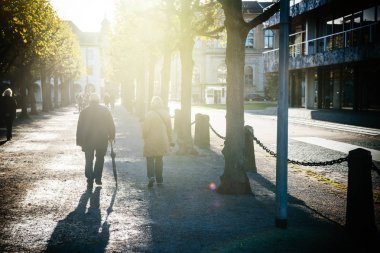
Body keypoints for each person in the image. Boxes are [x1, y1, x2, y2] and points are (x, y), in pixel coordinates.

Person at [76, 93, 115, 189]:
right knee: (100, 159)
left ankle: (89, 180)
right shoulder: (105, 110)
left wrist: (80, 141)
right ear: (99, 100)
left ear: (89, 101)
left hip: (88, 139)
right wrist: (112, 136)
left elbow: (80, 127)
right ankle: (98, 178)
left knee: (89, 160)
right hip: (102, 139)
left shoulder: (84, 112)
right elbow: (111, 124)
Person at [142, 96, 173, 187]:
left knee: (150, 158)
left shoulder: (149, 114)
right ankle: (159, 179)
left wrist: (144, 136)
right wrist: (170, 139)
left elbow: (145, 129)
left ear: (152, 104)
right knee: (159, 159)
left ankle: (151, 176)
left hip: (151, 140)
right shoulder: (166, 114)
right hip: (162, 140)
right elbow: (169, 129)